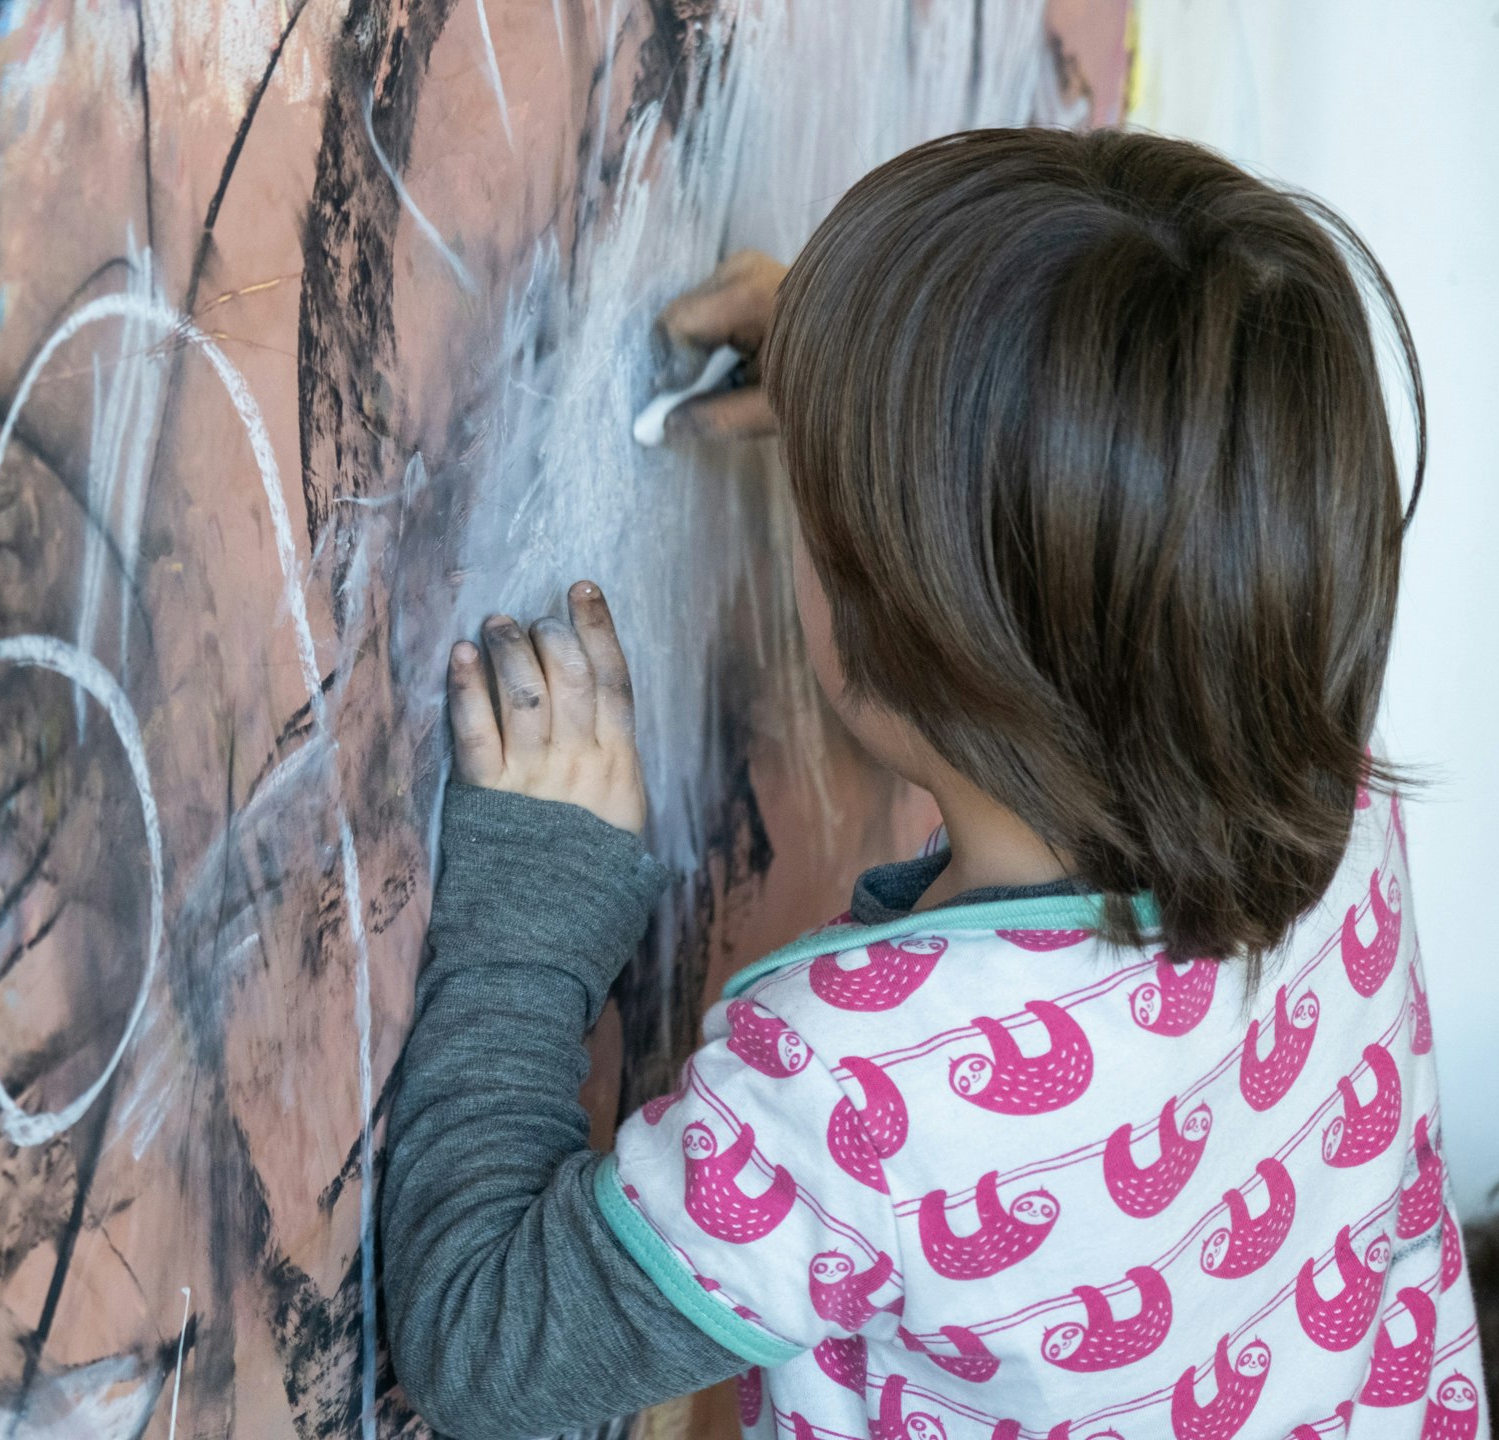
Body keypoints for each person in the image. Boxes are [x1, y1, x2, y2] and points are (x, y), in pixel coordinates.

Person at [382, 127, 1487, 1440]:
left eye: (842, 506)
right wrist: (906, 396)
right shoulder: (1334, 796)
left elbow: (485, 1349)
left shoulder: (852, 1093)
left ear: (889, 636)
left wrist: (532, 910)